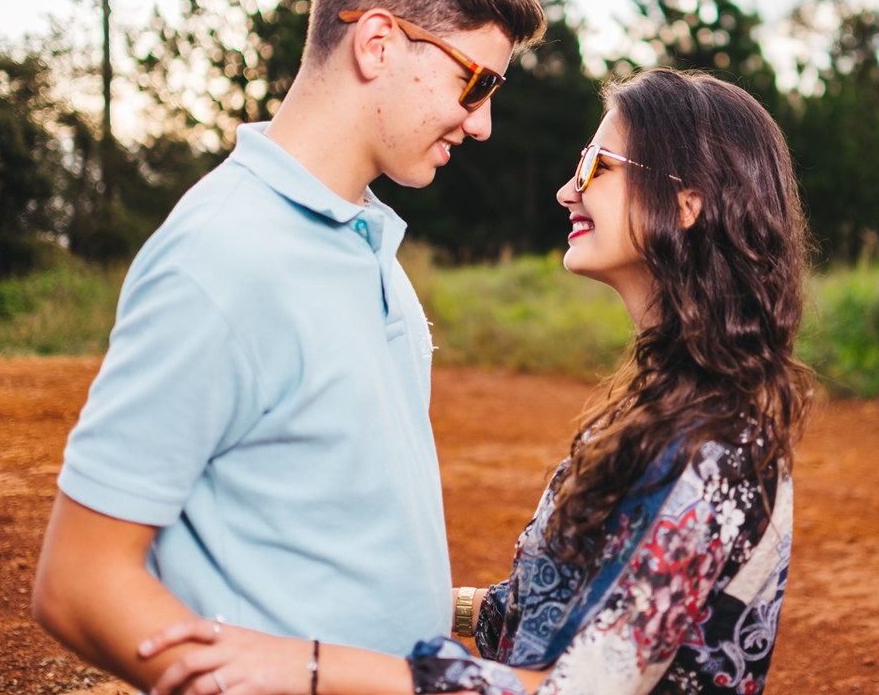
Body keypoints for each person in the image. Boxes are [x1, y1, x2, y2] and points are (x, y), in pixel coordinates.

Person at [135, 68, 816, 695]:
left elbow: (577, 687)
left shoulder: (714, 448)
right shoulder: (673, 403)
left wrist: (310, 665)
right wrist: (401, 605)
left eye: (595, 165)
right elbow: (548, 610)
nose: (567, 189)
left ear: (687, 203)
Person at [31, 0, 545, 691]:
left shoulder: (364, 238)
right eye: (475, 83)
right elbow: (79, 584)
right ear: (377, 43)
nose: (481, 124)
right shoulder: (221, 257)